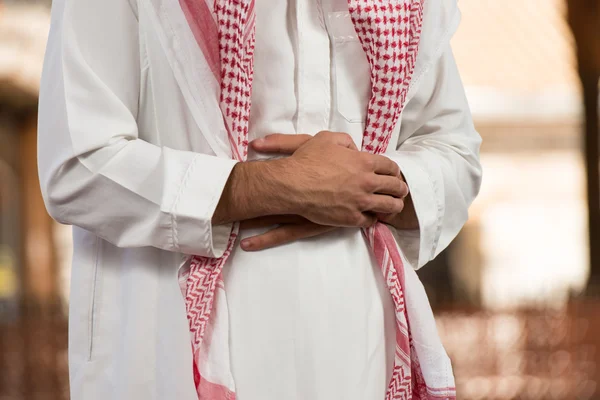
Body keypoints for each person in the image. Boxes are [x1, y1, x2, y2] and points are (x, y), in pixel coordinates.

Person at [38, 0, 481, 399]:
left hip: (360, 345)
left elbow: (454, 153)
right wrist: (276, 187)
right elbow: (79, 163)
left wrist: (365, 191)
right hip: (170, 349)